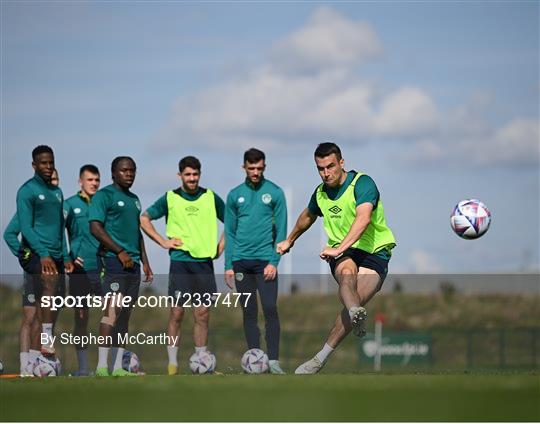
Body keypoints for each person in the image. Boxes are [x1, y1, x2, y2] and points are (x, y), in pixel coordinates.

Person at [276, 142, 396, 374]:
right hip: (343, 253)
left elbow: (363, 219)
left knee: (357, 297)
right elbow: (307, 216)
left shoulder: (362, 183)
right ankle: (354, 313)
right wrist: (290, 240)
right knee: (347, 278)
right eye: (320, 168)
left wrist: (338, 246)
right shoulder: (320, 193)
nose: (326, 173)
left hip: (375, 251)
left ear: (342, 163)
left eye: (330, 166)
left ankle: (320, 358)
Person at [140, 156, 225, 375]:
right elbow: (144, 218)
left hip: (204, 263)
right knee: (177, 313)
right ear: (180, 176)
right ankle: (172, 364)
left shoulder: (210, 197)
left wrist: (220, 247)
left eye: (195, 174)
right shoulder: (170, 198)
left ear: (200, 174)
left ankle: (201, 359)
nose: (192, 178)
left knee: (202, 313)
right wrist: (163, 241)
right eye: (187, 174)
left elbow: (233, 222)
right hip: (180, 262)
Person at [224, 148, 287, 374]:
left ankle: (273, 361)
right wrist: (228, 265)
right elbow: (229, 232)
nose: (255, 172)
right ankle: (254, 359)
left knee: (270, 308)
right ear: (244, 168)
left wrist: (274, 261)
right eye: (251, 168)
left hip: (265, 263)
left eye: (259, 168)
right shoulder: (234, 195)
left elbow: (282, 231)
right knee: (249, 312)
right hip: (241, 262)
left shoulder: (275, 193)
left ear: (264, 167)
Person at [89, 156, 153, 377]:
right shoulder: (104, 196)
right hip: (114, 262)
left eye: (132, 170)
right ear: (113, 173)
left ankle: (117, 368)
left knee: (125, 315)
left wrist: (145, 261)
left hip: (133, 264)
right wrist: (119, 251)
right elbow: (95, 227)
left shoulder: (135, 199)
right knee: (111, 314)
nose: (129, 174)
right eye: (124, 170)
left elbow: (137, 232)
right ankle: (101, 367)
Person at [15, 146, 74, 364]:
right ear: (34, 165)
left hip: (57, 254)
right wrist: (43, 254)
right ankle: (47, 340)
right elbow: (26, 228)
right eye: (43, 163)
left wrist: (65, 257)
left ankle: (34, 360)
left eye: (51, 162)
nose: (48, 167)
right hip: (35, 253)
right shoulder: (27, 191)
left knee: (54, 302)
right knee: (49, 284)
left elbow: (60, 228)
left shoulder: (57, 193)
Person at [4, 168, 63, 375]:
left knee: (45, 317)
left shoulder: (57, 203)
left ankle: (37, 363)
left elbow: (59, 238)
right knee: (30, 318)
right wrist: (25, 257)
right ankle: (25, 366)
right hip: (35, 267)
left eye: (56, 180)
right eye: (51, 178)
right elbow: (10, 234)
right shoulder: (29, 204)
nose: (53, 182)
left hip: (54, 266)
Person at [64, 164, 102, 376]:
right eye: (90, 180)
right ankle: (84, 367)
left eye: (97, 180)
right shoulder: (69, 204)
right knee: (81, 318)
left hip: (103, 268)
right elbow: (58, 232)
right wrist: (67, 257)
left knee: (112, 316)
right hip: (80, 270)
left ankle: (107, 365)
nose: (94, 183)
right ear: (80, 181)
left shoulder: (103, 203)